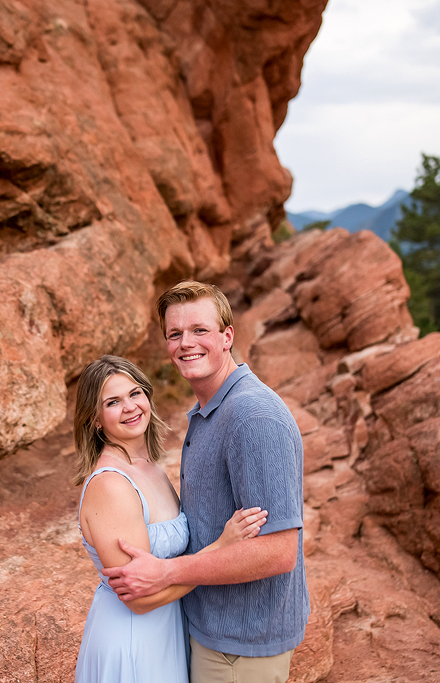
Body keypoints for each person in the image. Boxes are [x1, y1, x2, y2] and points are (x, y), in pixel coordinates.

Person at [103, 281, 309, 683]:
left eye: (200, 330)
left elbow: (279, 551)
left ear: (227, 336)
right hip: (212, 631)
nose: (186, 343)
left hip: (238, 647)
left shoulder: (252, 417)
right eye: (175, 334)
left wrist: (167, 572)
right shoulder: (212, 409)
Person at [73, 355, 268, 683]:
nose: (130, 407)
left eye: (135, 394)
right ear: (94, 419)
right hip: (134, 639)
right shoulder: (111, 485)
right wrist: (222, 548)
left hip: (166, 631)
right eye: (113, 402)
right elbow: (141, 599)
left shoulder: (150, 468)